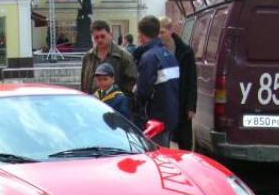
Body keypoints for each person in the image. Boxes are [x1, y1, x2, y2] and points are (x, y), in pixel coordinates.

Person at [133, 16, 180, 147]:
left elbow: (143, 92)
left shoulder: (149, 57)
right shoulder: (168, 55)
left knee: (155, 156)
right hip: (170, 115)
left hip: (154, 118)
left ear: (141, 35)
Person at [159, 16, 197, 150]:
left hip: (181, 99)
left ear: (171, 31)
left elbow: (192, 79)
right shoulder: (156, 51)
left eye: (162, 32)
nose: (160, 36)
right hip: (164, 100)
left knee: (184, 139)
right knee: (163, 139)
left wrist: (191, 106)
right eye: (157, 33)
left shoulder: (185, 51)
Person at [81, 20, 137, 98]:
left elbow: (132, 82)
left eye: (102, 36)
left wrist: (120, 99)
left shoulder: (124, 57)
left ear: (110, 35)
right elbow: (84, 84)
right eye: (96, 37)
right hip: (92, 104)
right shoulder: (88, 57)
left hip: (115, 105)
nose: (99, 40)